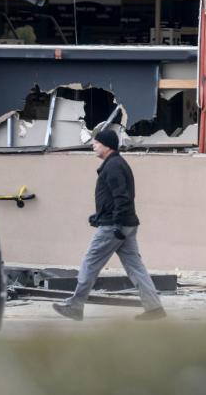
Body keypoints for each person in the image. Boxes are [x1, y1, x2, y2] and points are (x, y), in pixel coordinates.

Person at [53, 129, 166, 321]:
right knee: (136, 268)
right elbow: (114, 199)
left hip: (116, 226)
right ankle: (154, 308)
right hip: (124, 224)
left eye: (96, 143)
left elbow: (122, 197)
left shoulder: (113, 166)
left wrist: (117, 225)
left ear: (106, 145)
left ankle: (75, 306)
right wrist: (98, 217)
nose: (93, 145)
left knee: (90, 263)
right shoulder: (116, 164)